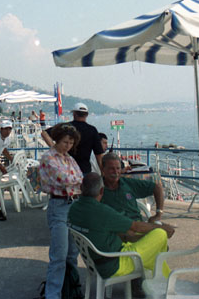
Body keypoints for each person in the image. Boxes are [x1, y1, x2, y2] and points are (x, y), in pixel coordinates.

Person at [68, 172, 175, 298]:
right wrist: (162, 228)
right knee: (160, 235)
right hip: (114, 264)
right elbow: (135, 227)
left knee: (153, 251)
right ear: (101, 191)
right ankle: (165, 286)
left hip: (94, 261)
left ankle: (162, 284)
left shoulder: (73, 209)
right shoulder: (102, 212)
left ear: (81, 188)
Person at [38, 123, 83, 299]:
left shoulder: (68, 158)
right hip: (59, 205)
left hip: (73, 205)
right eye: (65, 142)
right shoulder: (48, 158)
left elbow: (78, 176)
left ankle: (70, 289)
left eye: (71, 143)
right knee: (59, 255)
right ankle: (53, 294)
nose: (68, 146)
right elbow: (64, 178)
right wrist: (78, 181)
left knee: (72, 254)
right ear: (57, 139)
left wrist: (77, 180)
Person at [101, 152, 165, 223]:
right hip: (115, 226)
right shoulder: (98, 188)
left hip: (137, 224)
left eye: (118, 168)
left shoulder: (127, 183)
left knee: (167, 228)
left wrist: (158, 213)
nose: (116, 172)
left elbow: (157, 188)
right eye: (111, 169)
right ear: (103, 169)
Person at [41, 102, 104, 174]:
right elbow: (99, 154)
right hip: (84, 170)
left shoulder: (66, 127)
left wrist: (54, 148)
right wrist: (103, 173)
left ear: (74, 114)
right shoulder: (92, 130)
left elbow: (44, 133)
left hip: (65, 168)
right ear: (86, 115)